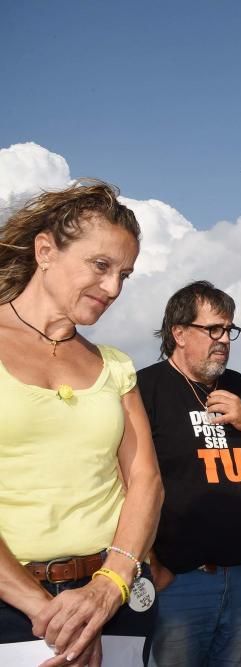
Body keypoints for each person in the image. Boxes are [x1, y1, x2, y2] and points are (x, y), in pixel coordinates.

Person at [0, 181, 163, 666]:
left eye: (124, 275)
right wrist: (55, 617)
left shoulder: (115, 365)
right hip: (15, 607)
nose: (112, 288)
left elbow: (145, 481)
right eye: (100, 266)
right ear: (45, 250)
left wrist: (108, 589)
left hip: (116, 599)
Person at [138, 280, 241, 667]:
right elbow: (127, 482)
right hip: (178, 580)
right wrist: (152, 565)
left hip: (238, 576)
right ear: (179, 333)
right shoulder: (145, 388)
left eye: (229, 330)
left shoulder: (236, 385)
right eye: (213, 329)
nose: (224, 339)